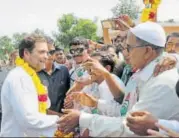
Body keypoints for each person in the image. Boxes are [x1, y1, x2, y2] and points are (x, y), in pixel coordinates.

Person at [58, 22, 179, 137]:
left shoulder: (161, 82)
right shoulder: (139, 75)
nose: (126, 53)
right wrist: (96, 103)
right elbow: (124, 110)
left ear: (147, 51)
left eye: (129, 47)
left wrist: (82, 119)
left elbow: (131, 127)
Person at [0, 34, 61, 137]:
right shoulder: (20, 77)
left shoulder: (31, 75)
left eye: (47, 52)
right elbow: (29, 119)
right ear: (26, 53)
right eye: (41, 52)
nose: (46, 56)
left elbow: (45, 105)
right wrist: (63, 121)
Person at [38, 37, 70, 113]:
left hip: (63, 118)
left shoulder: (64, 70)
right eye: (44, 52)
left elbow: (68, 94)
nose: (48, 55)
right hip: (43, 119)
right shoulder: (33, 74)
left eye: (51, 52)